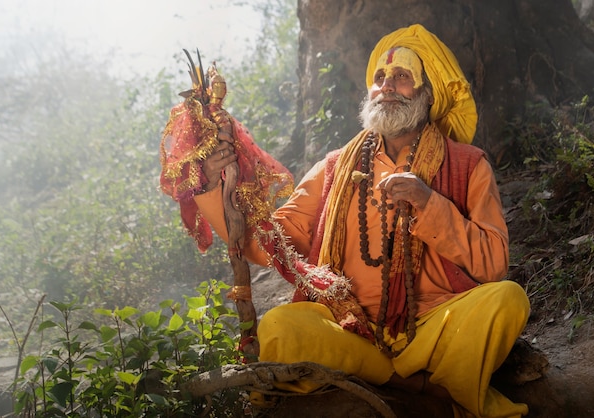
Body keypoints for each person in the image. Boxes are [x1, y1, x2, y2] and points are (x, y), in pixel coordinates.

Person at [191, 24, 530, 417]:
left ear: (427, 93)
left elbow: (493, 263)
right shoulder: (334, 168)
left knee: (506, 300)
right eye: (380, 78)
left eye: (402, 77)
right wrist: (216, 188)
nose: (386, 86)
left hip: (436, 327)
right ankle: (423, 385)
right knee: (280, 328)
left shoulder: (468, 164)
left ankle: (397, 378)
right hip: (348, 326)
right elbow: (268, 245)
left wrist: (429, 202)